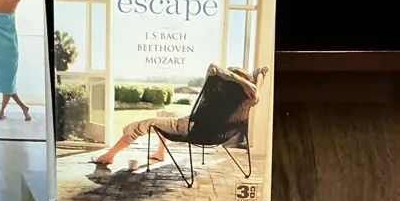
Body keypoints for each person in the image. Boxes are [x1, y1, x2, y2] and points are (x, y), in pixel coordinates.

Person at [91, 64, 270, 168]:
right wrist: (253, 87)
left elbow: (214, 67)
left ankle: (109, 156)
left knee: (141, 125)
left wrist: (240, 81)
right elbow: (262, 70)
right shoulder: (249, 99)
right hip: (213, 131)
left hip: (190, 128)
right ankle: (160, 153)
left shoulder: (222, 90)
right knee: (163, 113)